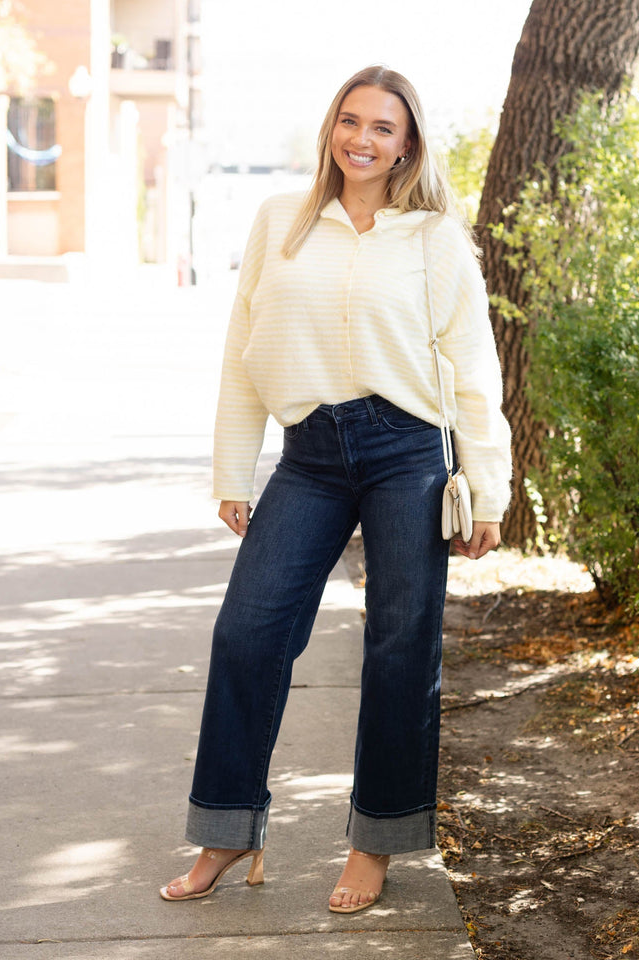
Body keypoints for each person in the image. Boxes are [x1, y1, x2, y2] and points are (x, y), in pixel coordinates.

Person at [160, 64, 512, 914]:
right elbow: (245, 351)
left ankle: (376, 842)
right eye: (349, 121)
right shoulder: (282, 220)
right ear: (331, 129)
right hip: (310, 453)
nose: (362, 138)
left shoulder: (434, 238)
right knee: (247, 633)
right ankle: (225, 830)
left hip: (407, 453)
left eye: (382, 127)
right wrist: (231, 471)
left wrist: (489, 491)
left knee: (400, 648)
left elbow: (473, 371)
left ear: (407, 143)